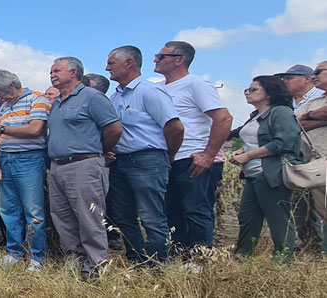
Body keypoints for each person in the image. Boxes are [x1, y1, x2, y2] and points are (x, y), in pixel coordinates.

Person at [153, 41, 233, 266]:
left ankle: (200, 261)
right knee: (172, 211)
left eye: (161, 56)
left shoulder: (197, 84)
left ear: (180, 59)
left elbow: (224, 119)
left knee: (196, 211)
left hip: (193, 158)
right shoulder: (158, 87)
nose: (155, 60)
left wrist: (208, 155)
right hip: (168, 160)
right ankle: (180, 258)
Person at [103, 46, 184, 264]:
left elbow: (175, 128)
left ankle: (160, 263)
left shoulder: (149, 91)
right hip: (121, 161)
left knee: (151, 215)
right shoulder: (114, 97)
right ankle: (137, 259)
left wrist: (167, 156)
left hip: (147, 159)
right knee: (122, 216)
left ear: (129, 63)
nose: (106, 68)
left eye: (111, 63)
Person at [47, 56, 123, 280]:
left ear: (73, 72)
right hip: (58, 167)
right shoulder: (58, 102)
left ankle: (97, 267)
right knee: (63, 218)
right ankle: (76, 263)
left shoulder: (92, 97)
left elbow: (114, 129)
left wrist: (97, 150)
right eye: (51, 71)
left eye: (57, 70)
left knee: (89, 218)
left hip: (84, 165)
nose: (52, 74)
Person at [229, 75, 302, 262]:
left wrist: (248, 155)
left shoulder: (280, 112)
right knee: (247, 218)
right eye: (247, 89)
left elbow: (284, 142)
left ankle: (283, 260)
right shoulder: (256, 116)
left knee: (278, 218)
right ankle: (243, 257)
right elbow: (257, 141)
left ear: (269, 94)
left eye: (253, 89)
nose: (247, 92)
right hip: (253, 174)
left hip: (272, 173)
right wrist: (242, 150)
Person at [0, 69, 50, 271]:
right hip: (6, 160)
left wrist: (3, 129)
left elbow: (34, 129)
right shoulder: (4, 107)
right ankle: (14, 252)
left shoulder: (37, 99)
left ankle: (37, 257)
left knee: (33, 210)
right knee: (9, 209)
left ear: (11, 87)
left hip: (29, 160)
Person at [275, 64, 325, 250]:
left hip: (321, 158)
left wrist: (306, 118)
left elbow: (297, 123)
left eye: (290, 78)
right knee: (310, 207)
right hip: (305, 160)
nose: (285, 82)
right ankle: (312, 246)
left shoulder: (316, 99)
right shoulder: (289, 102)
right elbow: (293, 124)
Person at [295, 60, 327, 254]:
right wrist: (318, 117)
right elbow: (296, 124)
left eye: (318, 71)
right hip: (316, 164)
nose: (314, 75)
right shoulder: (315, 101)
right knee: (324, 211)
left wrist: (310, 117)